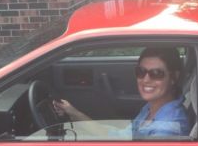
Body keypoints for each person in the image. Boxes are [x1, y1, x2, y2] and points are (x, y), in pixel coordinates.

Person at [53, 47, 190, 139]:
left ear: (174, 77)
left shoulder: (168, 127)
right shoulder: (151, 108)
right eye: (140, 72)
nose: (145, 79)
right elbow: (118, 135)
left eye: (156, 73)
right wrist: (73, 112)